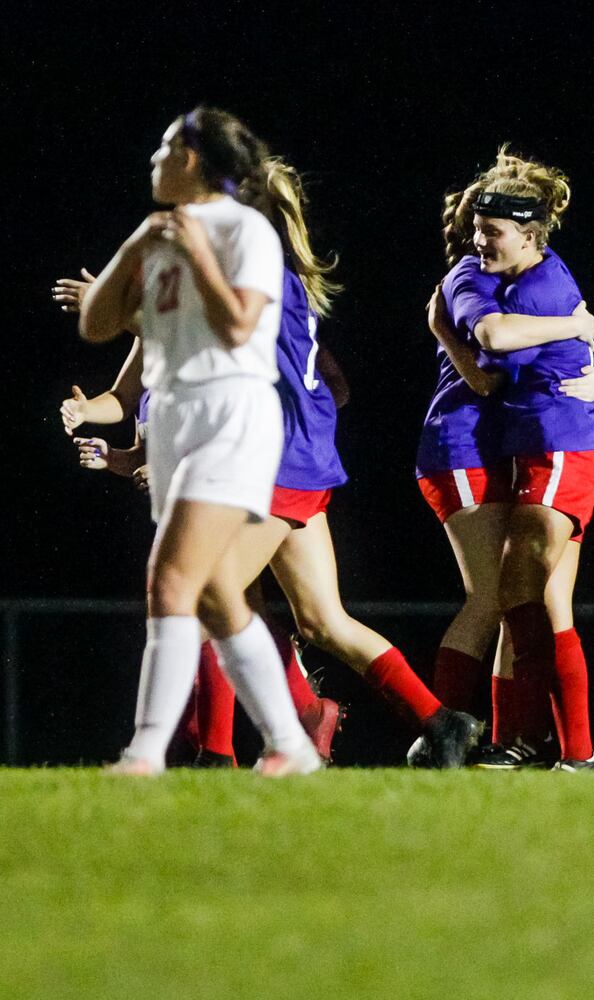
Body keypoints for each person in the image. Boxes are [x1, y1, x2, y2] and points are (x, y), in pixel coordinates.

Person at [77, 105, 318, 775]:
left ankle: (145, 752)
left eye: (165, 148)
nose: (154, 160)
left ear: (195, 161)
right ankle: (292, 745)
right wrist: (135, 248)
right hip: (173, 417)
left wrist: (194, 253)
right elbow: (97, 326)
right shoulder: (160, 231)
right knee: (214, 596)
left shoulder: (247, 232)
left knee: (168, 580)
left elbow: (241, 325)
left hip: (230, 413)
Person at [413, 169, 594, 769]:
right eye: (475, 228)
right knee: (503, 597)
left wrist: (592, 373)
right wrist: (578, 330)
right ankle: (501, 738)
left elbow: (511, 360)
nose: (479, 241)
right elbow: (492, 354)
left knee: (516, 598)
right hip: (473, 445)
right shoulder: (474, 275)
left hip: (547, 445)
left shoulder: (535, 280)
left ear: (530, 234)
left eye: (490, 230)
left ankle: (549, 746)